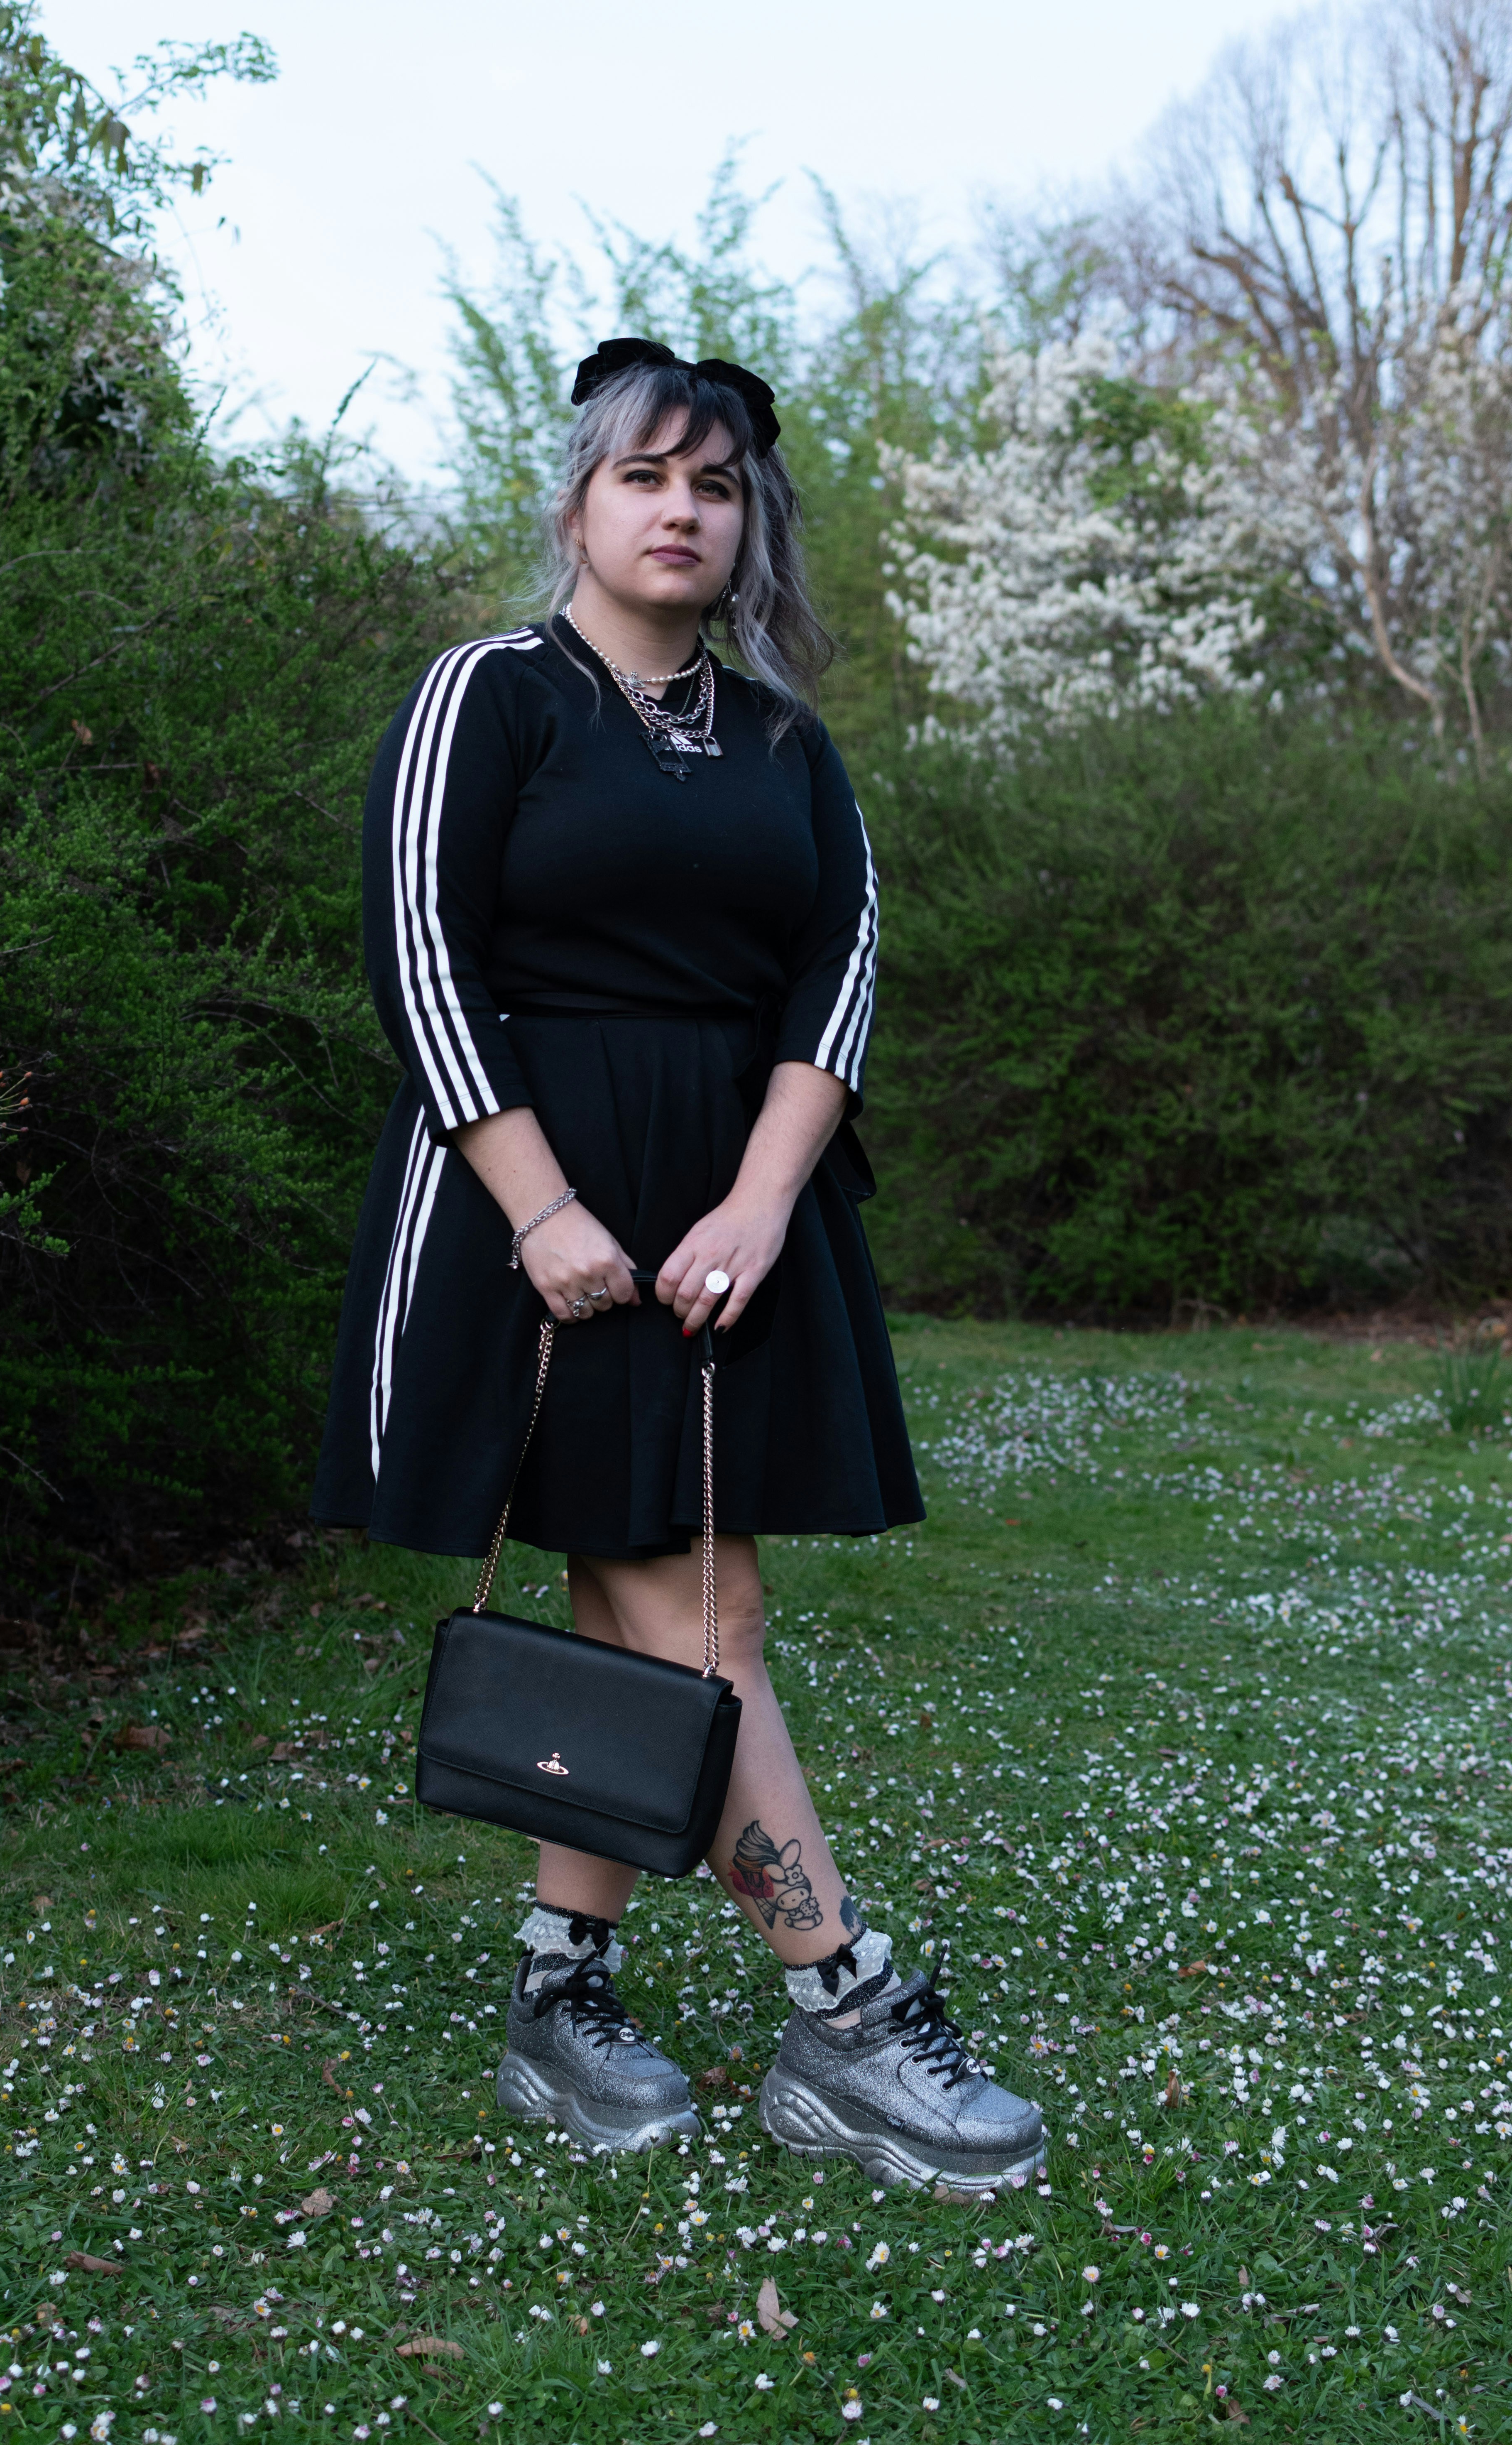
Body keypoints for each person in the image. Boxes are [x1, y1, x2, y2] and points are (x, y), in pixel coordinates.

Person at [312, 337, 1045, 2191]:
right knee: (692, 1610)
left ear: (748, 523)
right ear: (575, 499)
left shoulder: (790, 742)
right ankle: (846, 2011)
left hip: (732, 1212)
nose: (680, 510)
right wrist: (543, 1211)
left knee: (659, 1596)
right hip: (525, 1195)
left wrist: (765, 1198)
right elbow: (420, 953)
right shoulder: (489, 693)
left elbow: (840, 973)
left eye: (714, 487)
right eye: (646, 475)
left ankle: (563, 1985)